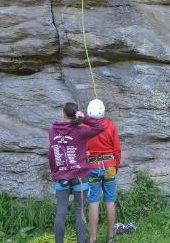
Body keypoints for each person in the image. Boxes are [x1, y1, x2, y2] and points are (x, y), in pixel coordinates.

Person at [48, 102, 105, 243]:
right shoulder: (80, 130)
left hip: (61, 176)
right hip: (79, 176)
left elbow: (51, 154)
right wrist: (84, 118)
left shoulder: (53, 130)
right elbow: (100, 127)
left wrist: (55, 172)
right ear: (76, 114)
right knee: (79, 212)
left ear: (63, 113)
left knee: (61, 212)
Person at [86, 99, 122, 243]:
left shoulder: (84, 127)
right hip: (109, 166)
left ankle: (93, 239)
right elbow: (117, 149)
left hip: (93, 167)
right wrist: (116, 165)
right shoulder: (111, 126)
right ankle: (111, 237)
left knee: (93, 201)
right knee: (110, 200)